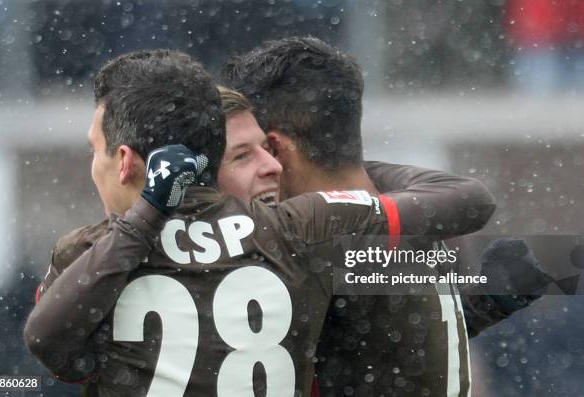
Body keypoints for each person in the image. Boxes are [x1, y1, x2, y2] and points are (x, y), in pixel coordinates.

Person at [24, 49, 399, 396]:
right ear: (202, 174)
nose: (274, 166)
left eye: (268, 150)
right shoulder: (303, 233)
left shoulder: (307, 230)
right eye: (241, 157)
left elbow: (56, 352)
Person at [221, 36, 549, 396]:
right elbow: (379, 347)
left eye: (251, 153)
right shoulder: (418, 219)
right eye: (240, 155)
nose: (259, 166)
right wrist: (483, 305)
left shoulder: (303, 244)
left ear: (275, 148)